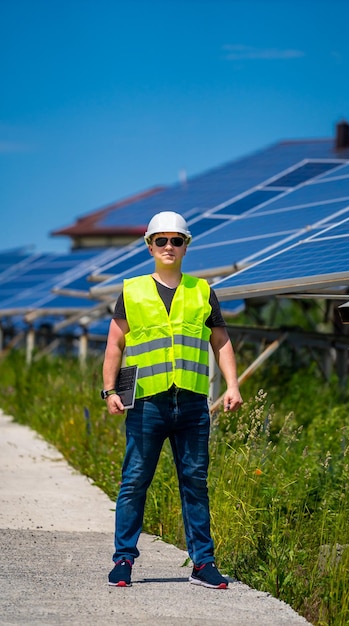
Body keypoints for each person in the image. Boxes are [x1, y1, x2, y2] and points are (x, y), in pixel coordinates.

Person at [102, 211, 243, 589]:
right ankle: (123, 561)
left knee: (195, 482)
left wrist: (232, 385)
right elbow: (115, 344)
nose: (168, 246)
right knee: (134, 481)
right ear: (150, 246)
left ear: (186, 247)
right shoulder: (131, 291)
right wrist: (110, 390)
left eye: (176, 240)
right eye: (161, 240)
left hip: (193, 404)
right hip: (147, 403)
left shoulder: (202, 291)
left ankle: (203, 563)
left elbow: (221, 341)